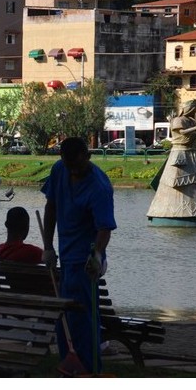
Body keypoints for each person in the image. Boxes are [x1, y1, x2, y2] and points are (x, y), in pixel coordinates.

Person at [41, 136, 117, 374]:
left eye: (77, 166)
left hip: (87, 260)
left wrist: (97, 254)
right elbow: (51, 207)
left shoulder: (98, 187)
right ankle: (69, 366)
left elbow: (104, 228)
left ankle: (89, 369)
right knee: (65, 317)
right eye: (68, 165)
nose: (72, 171)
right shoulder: (59, 170)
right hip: (64, 255)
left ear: (88, 156)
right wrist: (47, 246)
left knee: (84, 319)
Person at [146, 99, 196, 225]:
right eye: (194, 109)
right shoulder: (178, 120)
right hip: (179, 154)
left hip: (192, 155)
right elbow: (181, 132)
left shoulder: (191, 122)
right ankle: (174, 214)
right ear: (189, 109)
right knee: (177, 182)